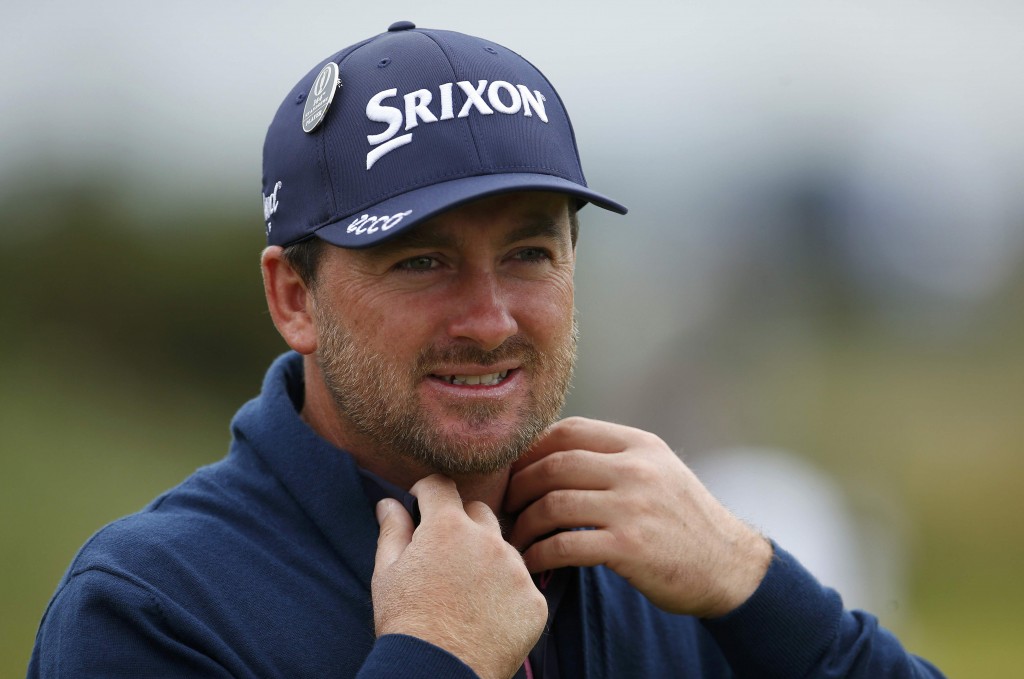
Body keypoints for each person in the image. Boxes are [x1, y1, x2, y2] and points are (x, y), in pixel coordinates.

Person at [29, 22, 945, 679]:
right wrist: (434, 657)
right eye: (421, 260)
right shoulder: (153, 605)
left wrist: (755, 584)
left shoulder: (655, 567)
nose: (492, 318)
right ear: (293, 297)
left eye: (529, 252)